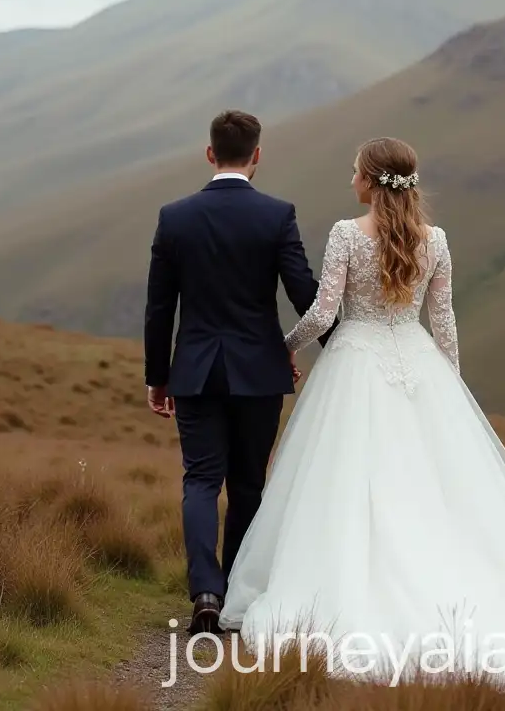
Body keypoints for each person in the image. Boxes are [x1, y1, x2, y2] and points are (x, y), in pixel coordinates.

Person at [217, 136, 505, 681]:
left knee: (349, 480)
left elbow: (323, 311)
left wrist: (285, 344)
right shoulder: (437, 241)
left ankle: (355, 579)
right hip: (419, 363)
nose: (349, 179)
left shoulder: (345, 235)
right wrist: (449, 387)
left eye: (354, 171)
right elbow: (443, 320)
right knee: (432, 488)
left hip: (355, 364)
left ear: (370, 181)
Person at [144, 109, 335, 636]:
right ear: (257, 155)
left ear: (210, 154)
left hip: (196, 372)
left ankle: (205, 590)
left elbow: (160, 309)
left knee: (201, 480)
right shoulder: (277, 216)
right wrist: (342, 339)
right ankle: (234, 593)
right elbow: (304, 293)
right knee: (249, 482)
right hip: (259, 373)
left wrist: (157, 377)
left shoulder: (174, 217)